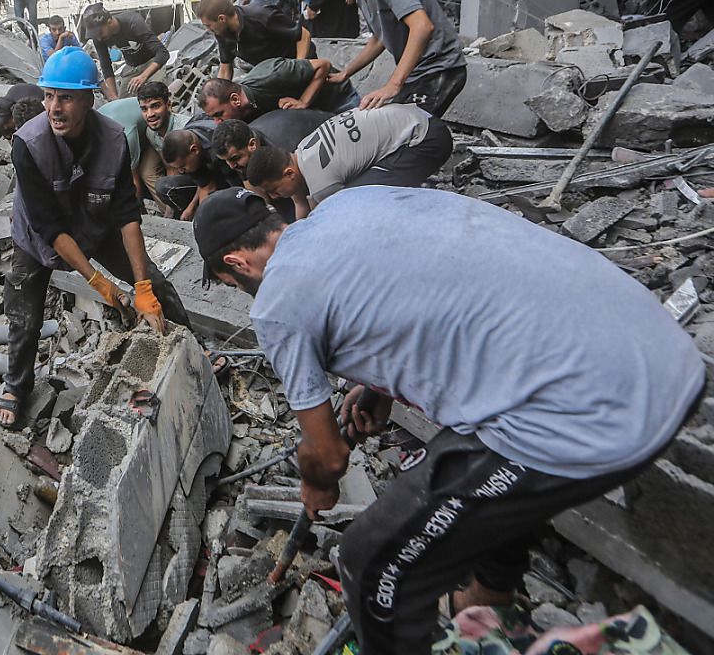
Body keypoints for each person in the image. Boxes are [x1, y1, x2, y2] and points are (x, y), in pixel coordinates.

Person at [191, 185, 705, 655]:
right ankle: (487, 603)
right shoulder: (351, 205)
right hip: (660, 351)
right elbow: (425, 283)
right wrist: (377, 385)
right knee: (474, 464)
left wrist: (316, 484)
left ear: (236, 262)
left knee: (369, 562)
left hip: (600, 414)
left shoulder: (277, 300)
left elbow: (326, 454)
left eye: (231, 284)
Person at [0, 46, 190, 428]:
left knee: (158, 286)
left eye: (66, 97)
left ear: (89, 99)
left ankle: (189, 346)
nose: (54, 107)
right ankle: (16, 386)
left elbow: (125, 213)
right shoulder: (28, 144)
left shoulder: (114, 139)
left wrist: (140, 286)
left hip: (94, 224)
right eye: (49, 96)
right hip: (37, 239)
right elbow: (49, 227)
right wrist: (98, 282)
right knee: (24, 317)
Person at [312, 0, 467, 116]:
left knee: (406, 134)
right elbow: (379, 39)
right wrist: (346, 73)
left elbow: (422, 27)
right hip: (418, 74)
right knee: (388, 128)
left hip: (440, 69)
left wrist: (393, 84)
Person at [245, 105, 453, 218]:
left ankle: (423, 206)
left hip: (428, 140)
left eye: (272, 190)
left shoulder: (321, 182)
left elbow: (326, 216)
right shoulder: (302, 149)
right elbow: (300, 201)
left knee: (355, 201)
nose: (273, 196)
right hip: (417, 115)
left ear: (289, 173)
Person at [99, 82, 188, 203]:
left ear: (168, 105)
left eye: (155, 106)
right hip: (150, 133)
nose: (150, 114)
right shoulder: (151, 132)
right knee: (151, 176)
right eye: (145, 109)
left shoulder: (184, 131)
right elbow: (169, 166)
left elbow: (133, 181)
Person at [197, 58, 360, 122]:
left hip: (338, 97)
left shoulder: (272, 75)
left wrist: (303, 101)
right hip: (315, 114)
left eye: (219, 115)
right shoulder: (243, 112)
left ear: (235, 100)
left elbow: (323, 65)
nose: (217, 123)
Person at [198, 0, 313, 80]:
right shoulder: (223, 33)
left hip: (296, 64)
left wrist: (298, 69)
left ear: (222, 19)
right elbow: (225, 69)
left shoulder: (261, 16)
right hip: (272, 73)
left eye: (208, 25)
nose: (208, 30)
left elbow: (304, 35)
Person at [0, 83, 45, 196]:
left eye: (6, 123)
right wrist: (6, 133)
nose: (4, 126)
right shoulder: (2, 109)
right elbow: (1, 126)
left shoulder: (29, 114)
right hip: (13, 102)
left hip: (33, 100)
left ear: (13, 116)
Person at [83, 4, 170, 100]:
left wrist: (143, 77)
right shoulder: (99, 38)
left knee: (155, 96)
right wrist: (114, 96)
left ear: (109, 22)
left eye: (100, 33)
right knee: (122, 103)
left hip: (151, 62)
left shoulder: (133, 22)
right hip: (132, 67)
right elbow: (106, 66)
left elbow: (163, 54)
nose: (99, 38)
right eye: (95, 35)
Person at [156, 124, 228, 220]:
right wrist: (193, 210)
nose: (181, 171)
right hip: (213, 172)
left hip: (232, 174)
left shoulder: (217, 147)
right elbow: (205, 186)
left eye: (182, 166)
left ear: (194, 149)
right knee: (164, 186)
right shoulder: (188, 145)